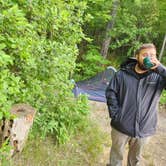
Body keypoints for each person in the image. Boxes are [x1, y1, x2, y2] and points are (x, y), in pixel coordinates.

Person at [105, 43, 166, 166]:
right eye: (145, 55)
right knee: (115, 157)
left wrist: (161, 68)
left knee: (134, 161)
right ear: (137, 56)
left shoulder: (159, 76)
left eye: (152, 55)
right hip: (120, 127)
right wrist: (116, 115)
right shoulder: (122, 74)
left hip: (144, 129)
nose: (149, 57)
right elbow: (111, 92)